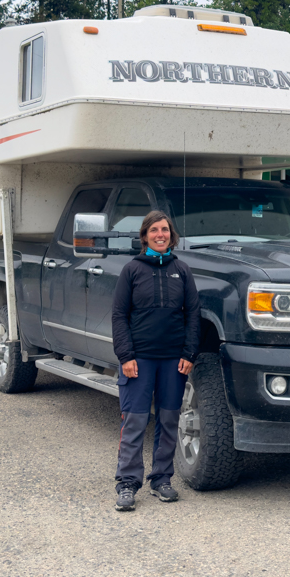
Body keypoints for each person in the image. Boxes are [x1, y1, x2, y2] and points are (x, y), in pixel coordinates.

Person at [111, 210, 200, 511]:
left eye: (165, 230)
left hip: (173, 361)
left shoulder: (183, 270)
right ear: (145, 235)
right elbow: (119, 316)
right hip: (139, 360)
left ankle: (161, 479)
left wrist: (189, 354)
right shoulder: (132, 270)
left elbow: (193, 316)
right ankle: (127, 483)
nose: (160, 235)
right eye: (154, 230)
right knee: (134, 420)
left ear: (171, 235)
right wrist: (126, 356)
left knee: (168, 419)